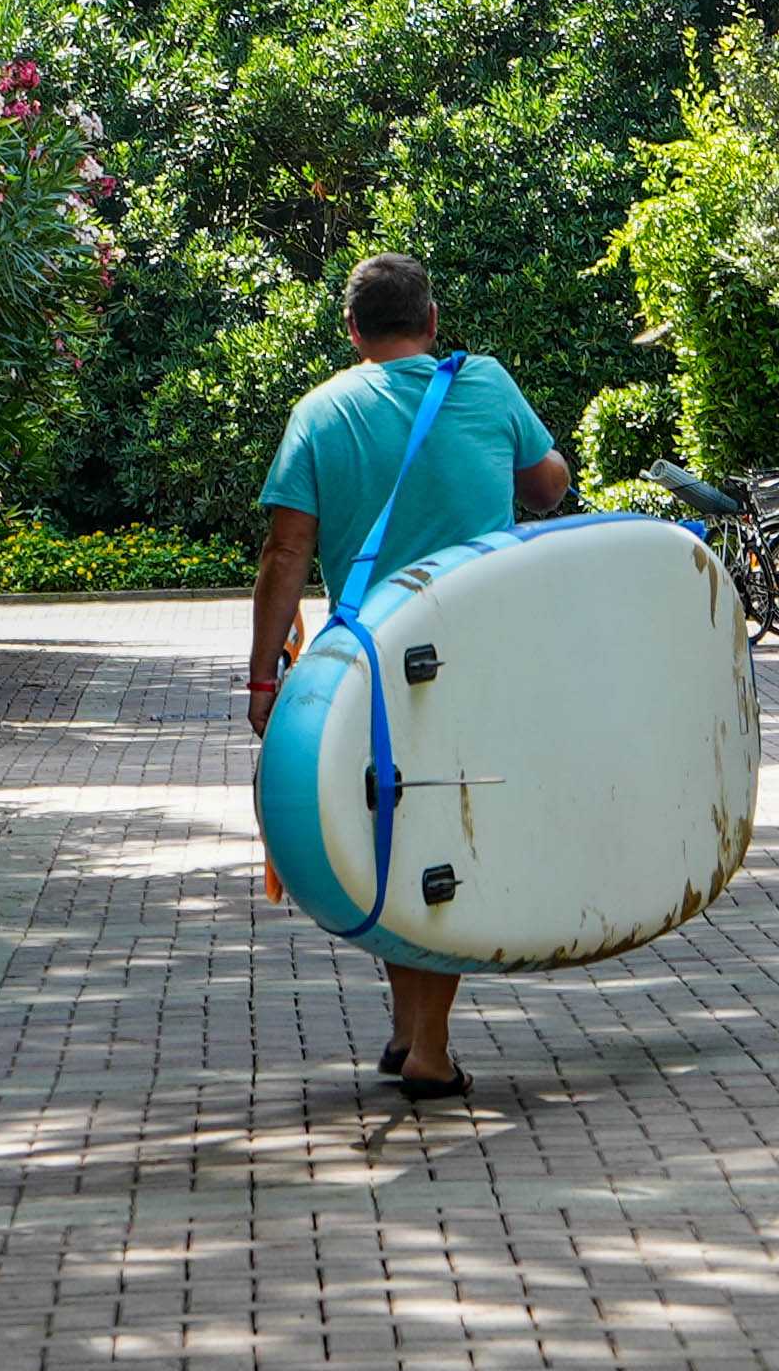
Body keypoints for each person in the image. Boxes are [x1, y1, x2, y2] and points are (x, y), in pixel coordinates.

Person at [245, 249, 574, 1103]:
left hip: (368, 661)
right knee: (445, 832)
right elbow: (550, 491)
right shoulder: (487, 385)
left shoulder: (319, 412)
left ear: (353, 332)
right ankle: (427, 1046)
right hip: (478, 652)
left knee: (394, 822)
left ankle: (408, 1032)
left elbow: (287, 550)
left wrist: (261, 681)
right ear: (432, 323)